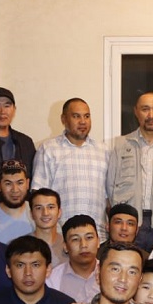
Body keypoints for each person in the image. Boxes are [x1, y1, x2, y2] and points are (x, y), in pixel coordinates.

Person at [106, 92, 153, 251]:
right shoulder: (120, 145)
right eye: (145, 109)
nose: (151, 115)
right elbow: (110, 187)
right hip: (130, 223)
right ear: (136, 111)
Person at [32, 97, 110, 237]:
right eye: (76, 116)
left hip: (98, 236)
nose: (83, 121)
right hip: (60, 236)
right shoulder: (48, 149)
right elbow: (38, 195)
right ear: (63, 119)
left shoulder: (103, 151)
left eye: (87, 116)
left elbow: (109, 197)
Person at [47, 214, 101, 304]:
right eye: (75, 239)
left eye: (89, 238)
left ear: (98, 242)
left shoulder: (111, 274)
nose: (83, 245)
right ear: (65, 246)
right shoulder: (52, 279)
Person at [0, 159, 34, 243]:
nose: (15, 190)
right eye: (8, 184)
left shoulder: (38, 211)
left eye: (20, 183)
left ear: (27, 183)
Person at [30, 187, 69, 265]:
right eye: (39, 208)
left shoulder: (70, 245)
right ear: (31, 214)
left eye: (50, 207)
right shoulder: (21, 246)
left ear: (59, 212)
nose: (45, 213)